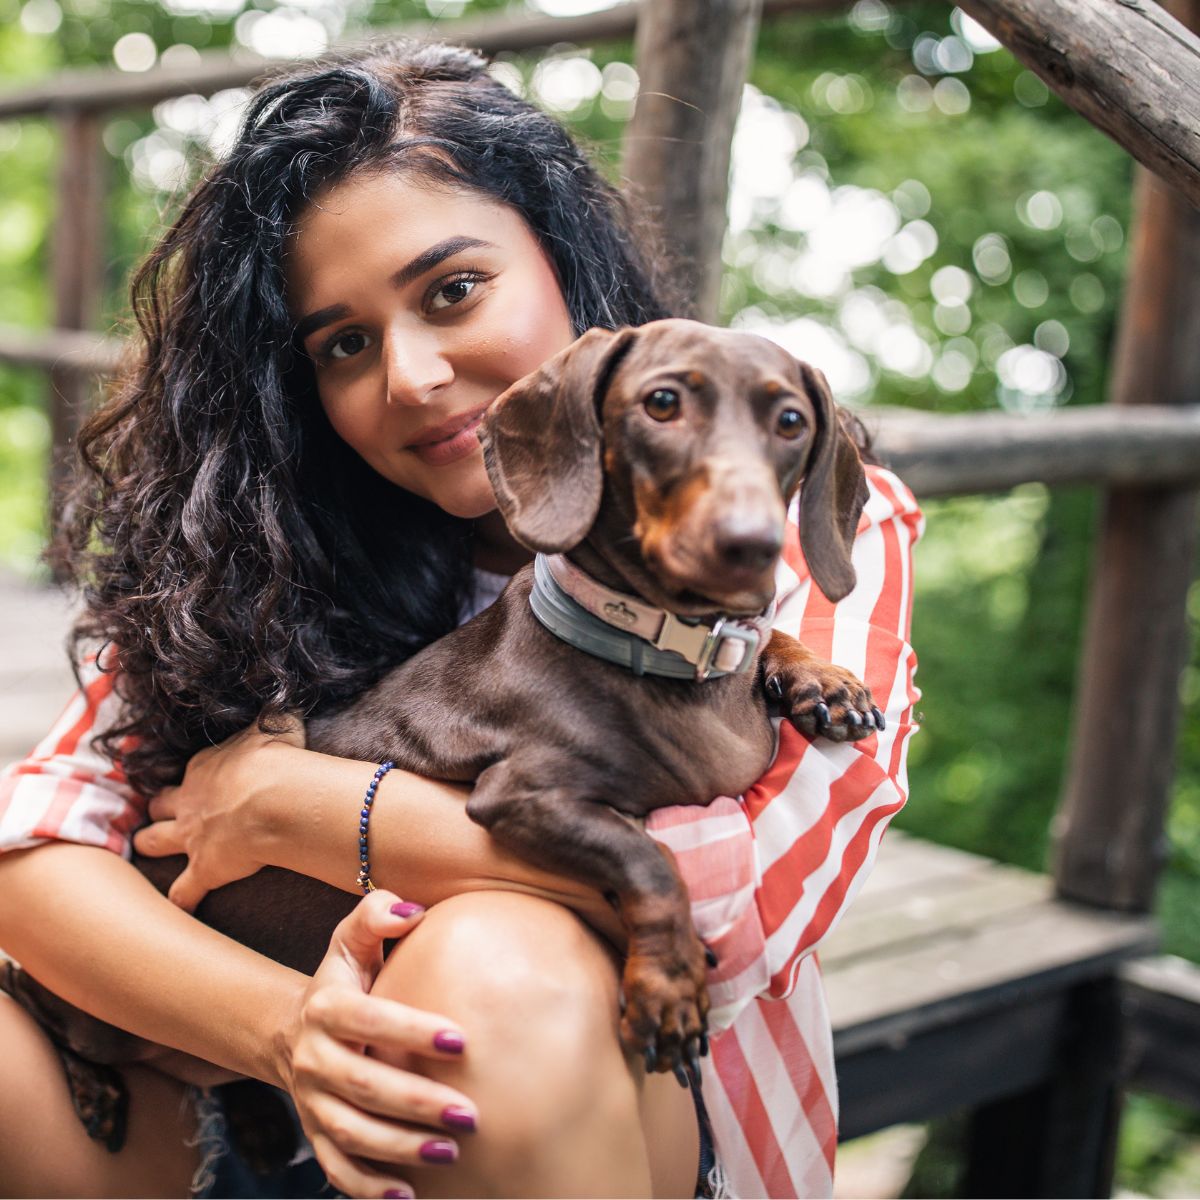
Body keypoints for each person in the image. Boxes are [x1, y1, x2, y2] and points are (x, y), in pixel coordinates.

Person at [0, 37, 923, 1200]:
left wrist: (303, 806)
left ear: (561, 261)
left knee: (498, 956)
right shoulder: (267, 546)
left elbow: (729, 908)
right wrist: (293, 1029)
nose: (415, 376)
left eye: (453, 290)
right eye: (344, 343)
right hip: (264, 1087)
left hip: (582, 1109)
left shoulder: (777, 533)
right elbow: (33, 850)